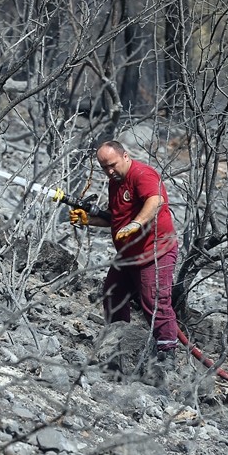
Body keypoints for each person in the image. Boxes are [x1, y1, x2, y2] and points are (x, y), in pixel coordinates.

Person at [69, 140, 180, 357]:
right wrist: (87, 220)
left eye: (112, 164)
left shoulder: (142, 175)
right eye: (104, 167)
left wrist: (136, 224)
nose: (109, 171)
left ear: (125, 156)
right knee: (113, 293)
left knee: (155, 302)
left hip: (155, 251)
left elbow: (156, 202)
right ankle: (119, 343)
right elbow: (116, 219)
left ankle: (167, 354)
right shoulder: (115, 182)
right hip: (129, 254)